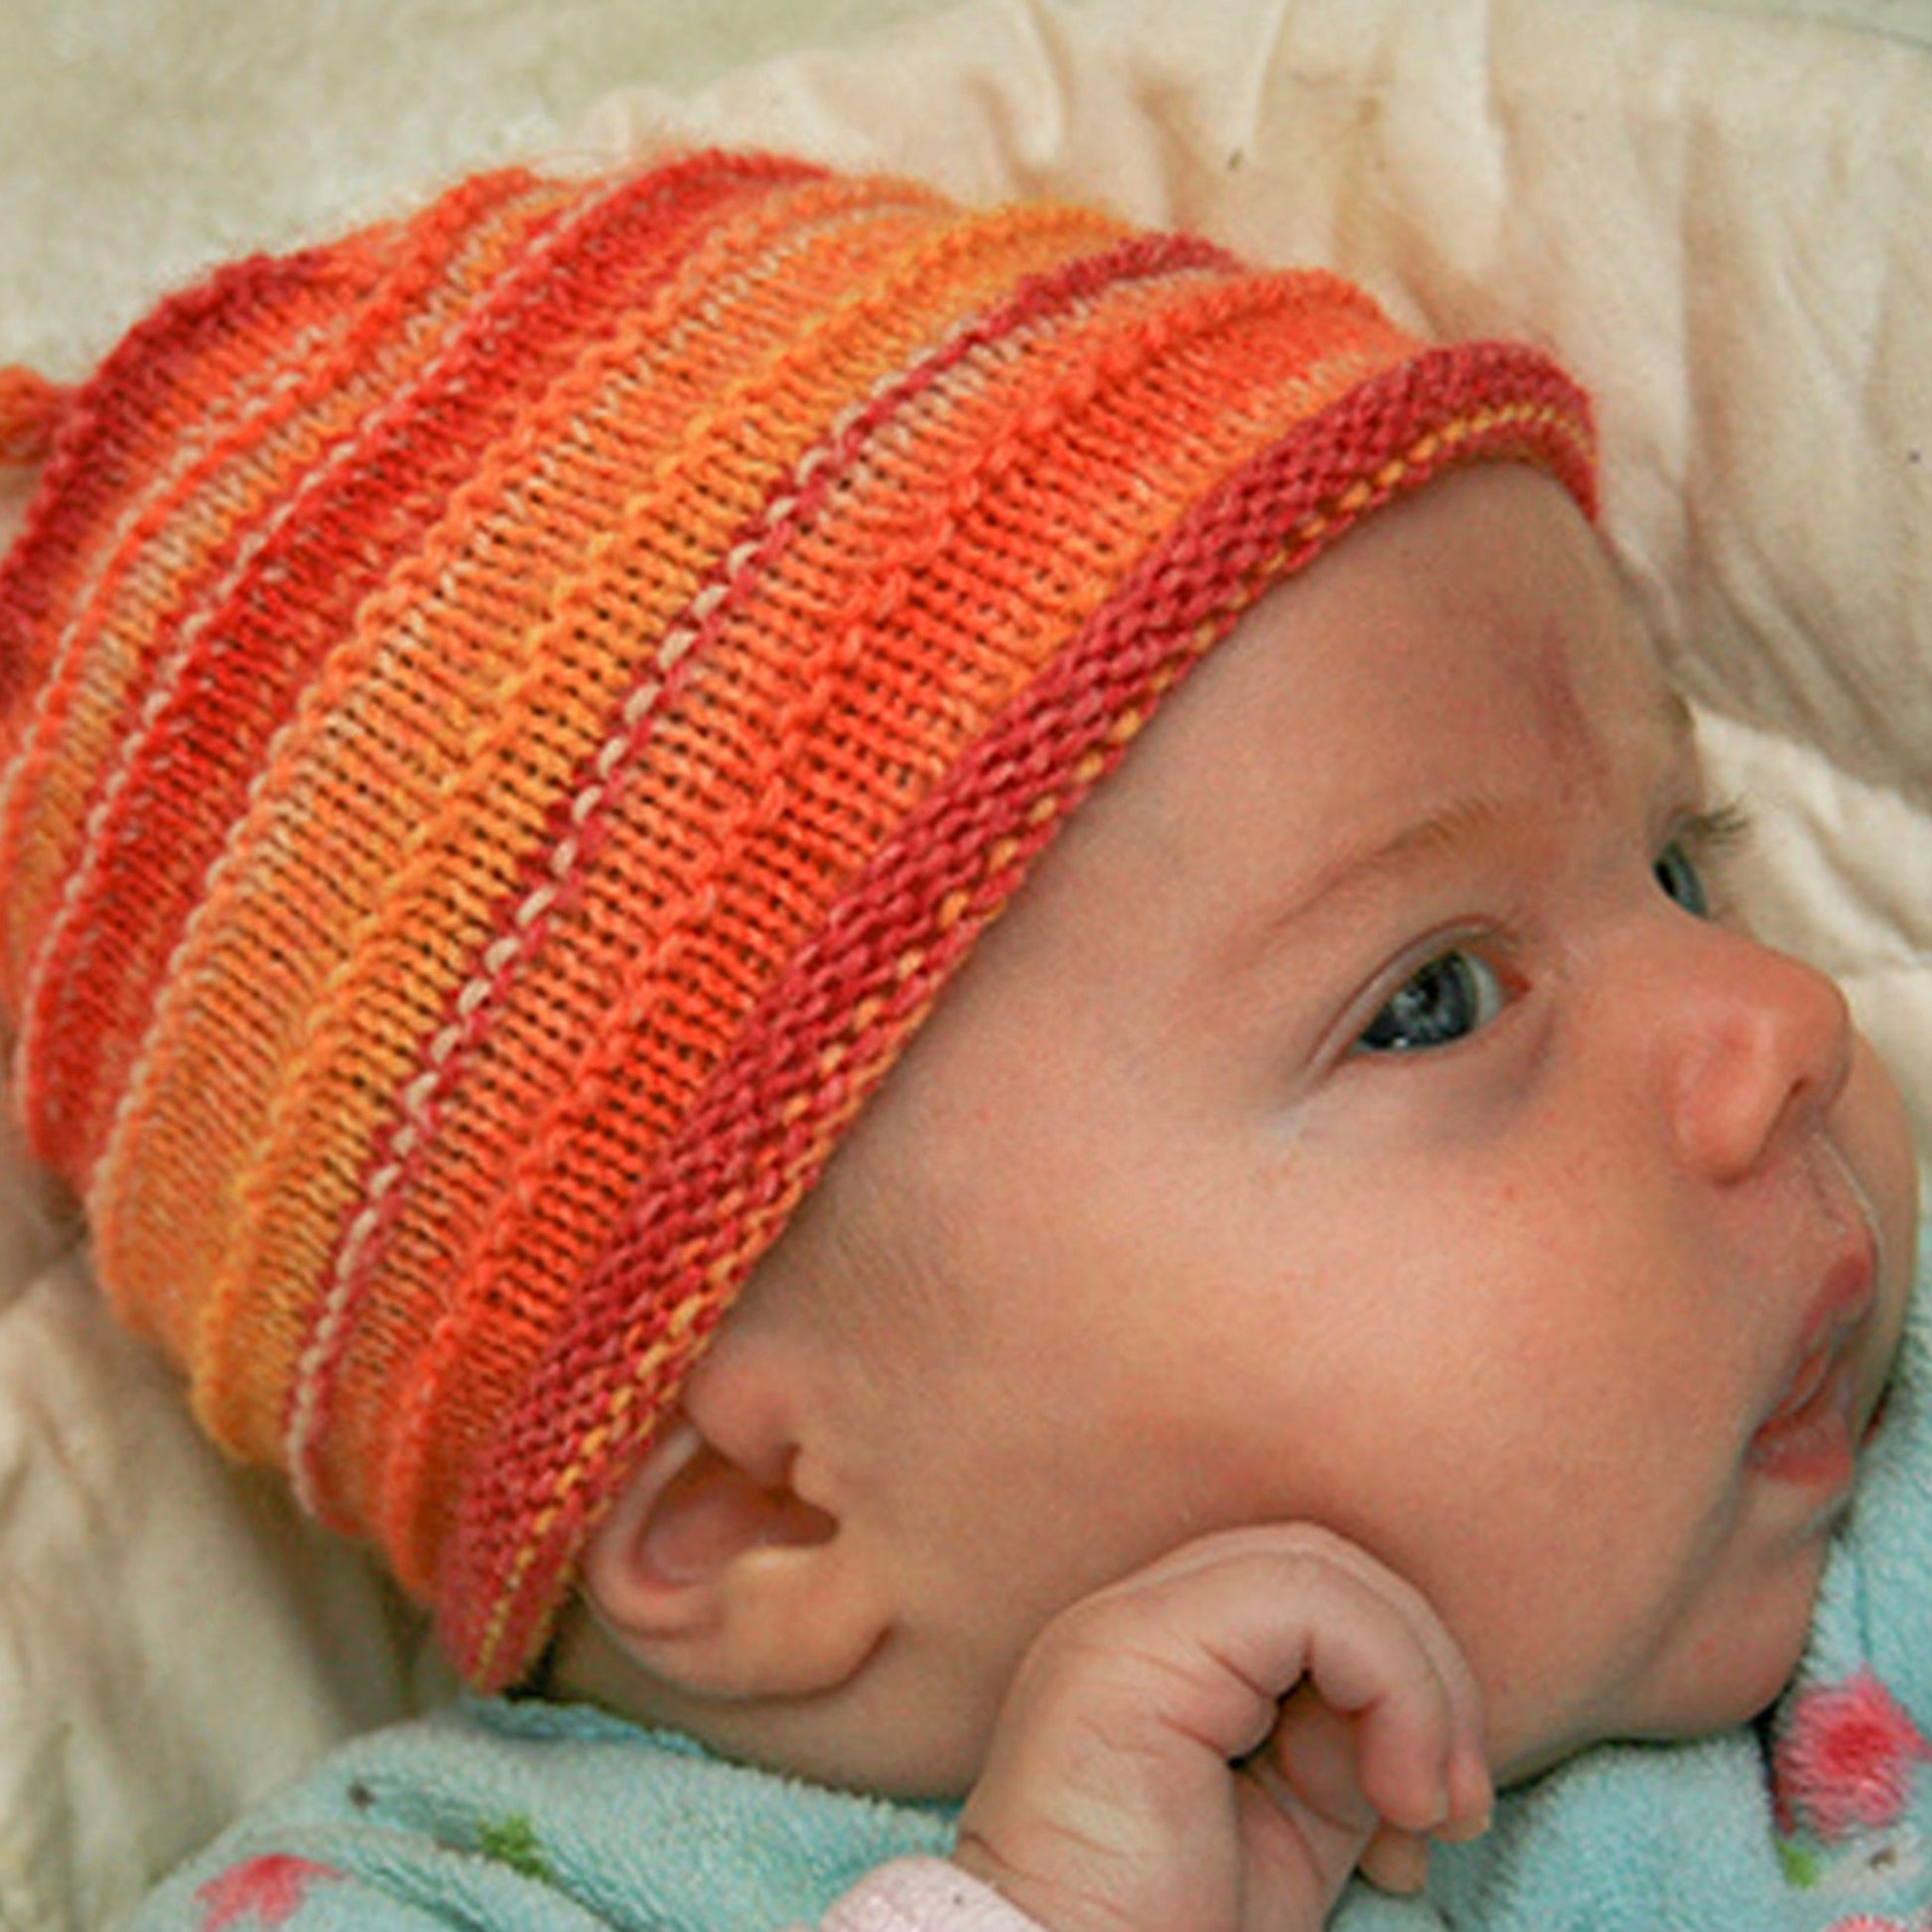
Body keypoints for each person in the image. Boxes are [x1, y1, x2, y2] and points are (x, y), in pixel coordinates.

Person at [0, 148, 1920, 1932]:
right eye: (1425, 1003)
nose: (1782, 1018)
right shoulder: (471, 1889)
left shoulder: (1874, 1478)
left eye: (1681, 869)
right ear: (765, 1513)